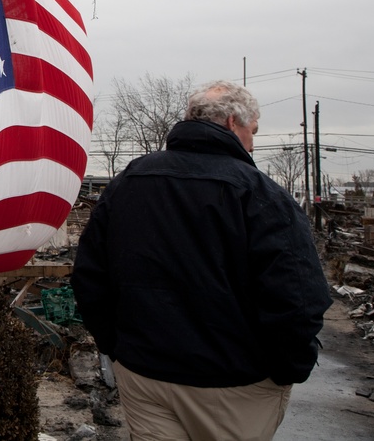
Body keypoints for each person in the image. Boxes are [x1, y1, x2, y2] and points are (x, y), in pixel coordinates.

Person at [72, 80, 332, 440]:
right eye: (252, 130)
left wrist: (116, 348)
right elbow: (299, 298)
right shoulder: (260, 193)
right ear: (231, 123)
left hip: (144, 374)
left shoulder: (128, 182)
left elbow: (88, 277)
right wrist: (288, 367)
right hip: (233, 385)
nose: (253, 142)